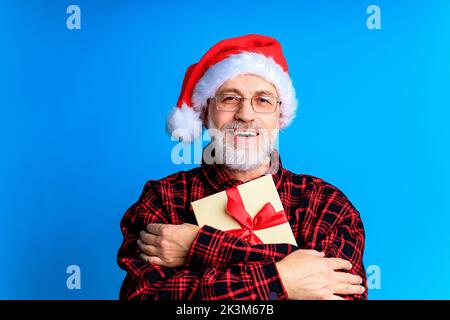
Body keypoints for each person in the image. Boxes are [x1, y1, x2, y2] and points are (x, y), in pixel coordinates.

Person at [117, 34, 367, 300]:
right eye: (230, 99)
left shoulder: (324, 203)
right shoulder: (162, 198)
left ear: (279, 117)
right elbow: (144, 296)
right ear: (205, 113)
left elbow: (345, 295)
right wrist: (282, 279)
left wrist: (198, 245)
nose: (245, 114)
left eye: (262, 100)